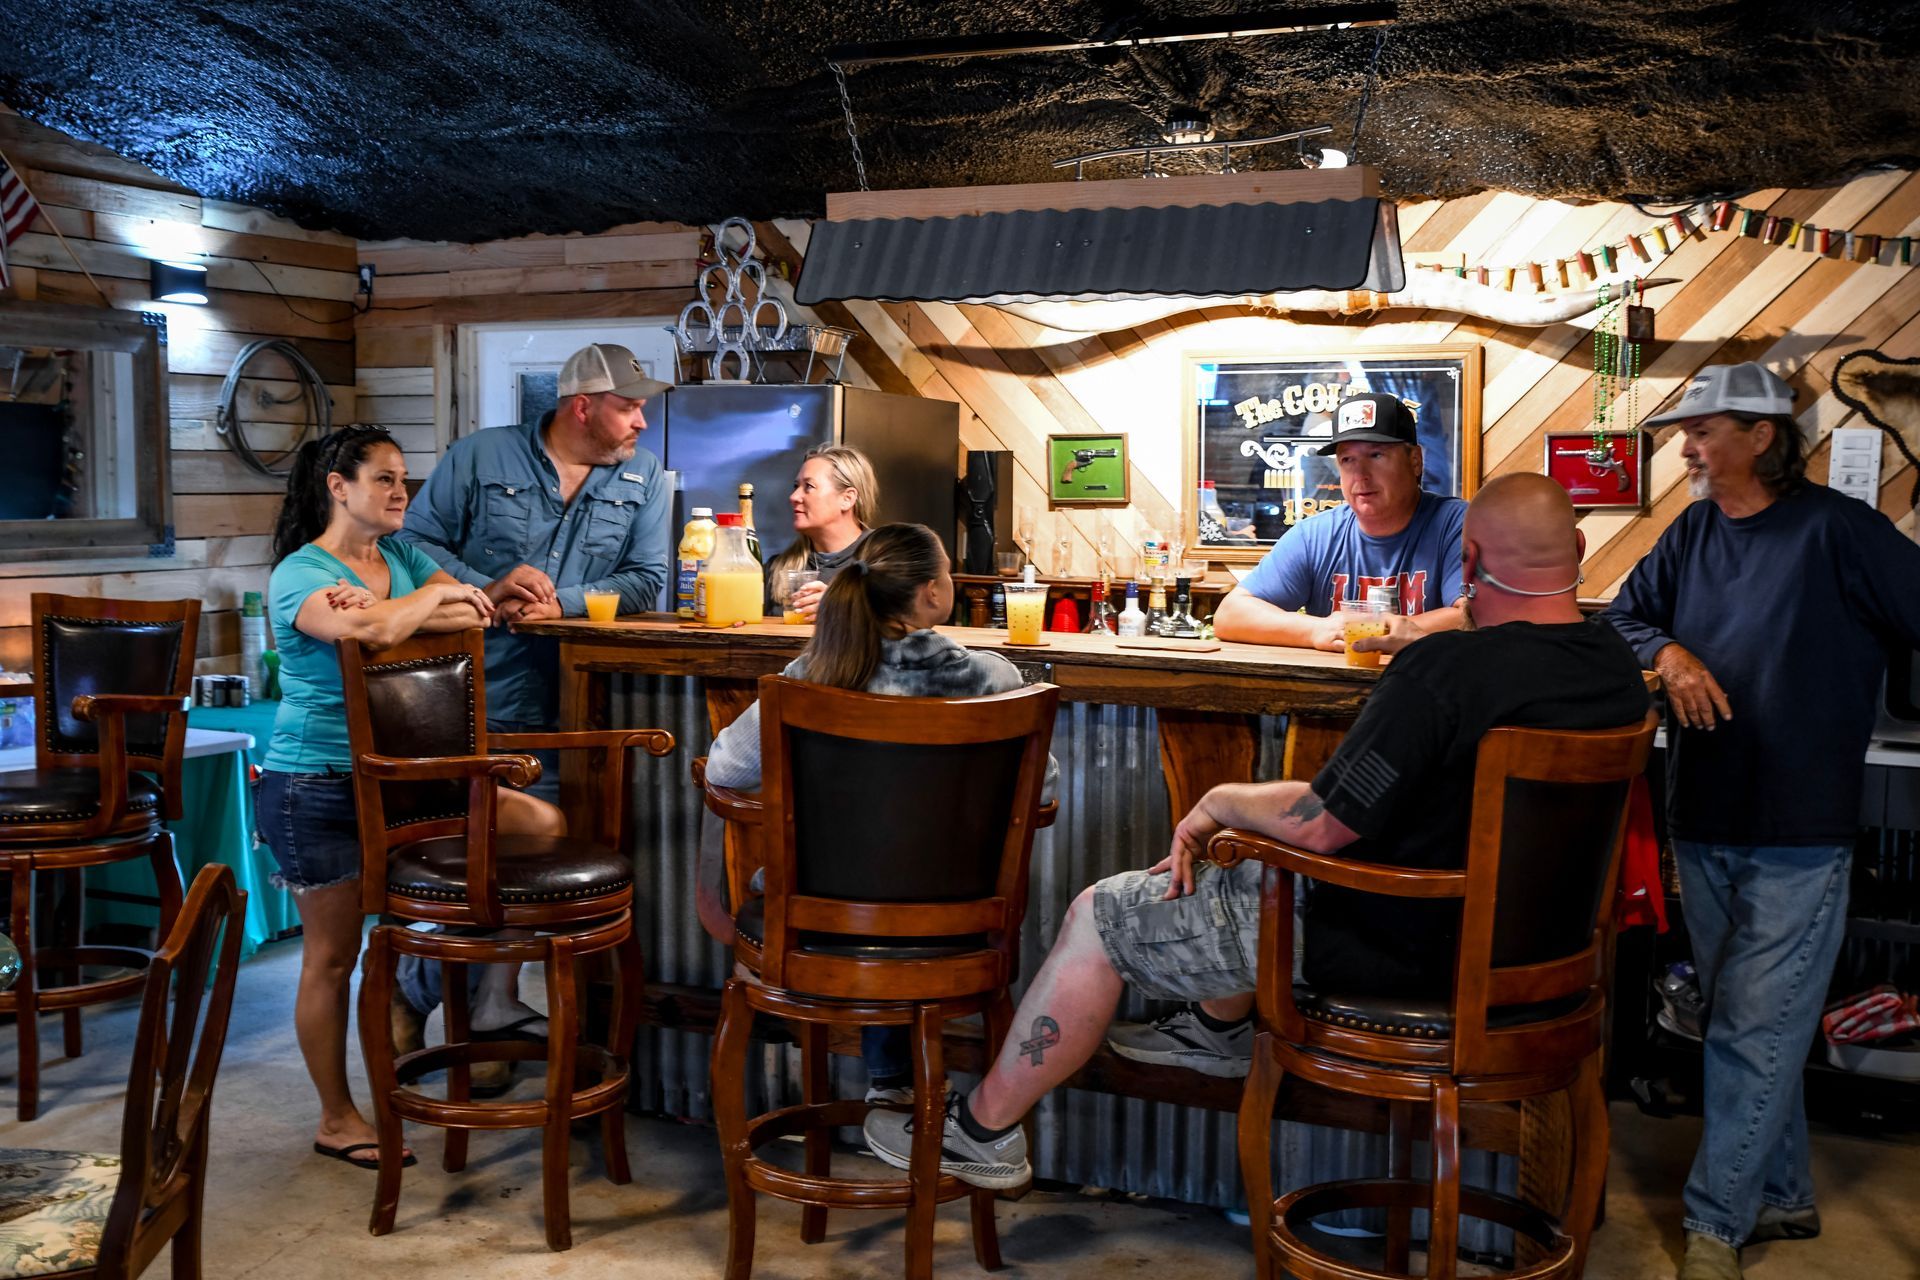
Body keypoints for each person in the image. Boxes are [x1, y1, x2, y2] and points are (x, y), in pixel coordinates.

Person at [863, 474, 1649, 1189]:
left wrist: (1219, 805)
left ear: (1469, 559)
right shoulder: (1614, 670)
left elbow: (1325, 825)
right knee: (1252, 871)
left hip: (1384, 951)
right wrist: (1241, 802)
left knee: (1100, 914)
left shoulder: (1446, 672)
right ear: (1577, 549)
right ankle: (1213, 1030)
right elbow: (1345, 807)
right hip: (1541, 968)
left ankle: (981, 1133)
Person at [1600, 362, 1920, 1280]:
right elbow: (1624, 618)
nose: (1689, 450)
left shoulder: (1840, 531)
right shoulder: (1695, 529)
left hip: (1801, 828)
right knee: (1748, 1026)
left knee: (1749, 1027)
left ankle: (1715, 1227)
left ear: (1764, 436)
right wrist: (1671, 653)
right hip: (1700, 815)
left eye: (1704, 432)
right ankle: (1782, 1197)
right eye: (1687, 432)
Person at [255, 425, 567, 1170]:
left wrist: (409, 606)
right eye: (385, 480)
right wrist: (407, 610)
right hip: (318, 785)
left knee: (538, 822)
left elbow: (469, 614)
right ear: (339, 486)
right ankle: (338, 1116)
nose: (402, 493)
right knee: (331, 959)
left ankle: (460, 996)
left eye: (405, 480)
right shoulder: (300, 573)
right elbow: (364, 637)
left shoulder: (398, 558)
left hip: (412, 783)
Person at [705, 522, 1057, 1105]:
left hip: (816, 926)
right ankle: (909, 1097)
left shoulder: (811, 679)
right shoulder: (993, 680)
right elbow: (1043, 787)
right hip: (962, 927)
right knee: (904, 877)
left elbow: (724, 771)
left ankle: (890, 1089)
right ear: (932, 594)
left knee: (868, 877)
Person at [394, 342, 673, 1071]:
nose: (643, 419)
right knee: (479, 858)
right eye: (629, 404)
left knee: (533, 859)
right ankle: (419, 994)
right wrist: (488, 590)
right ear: (583, 406)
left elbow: (648, 578)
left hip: (581, 704)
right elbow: (414, 547)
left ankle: (487, 1015)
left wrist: (556, 605)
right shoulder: (480, 457)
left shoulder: (645, 475)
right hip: (476, 692)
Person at [1213, 392, 1467, 651]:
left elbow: (1477, 616)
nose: (1360, 475)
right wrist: (1315, 630)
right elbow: (1230, 615)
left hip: (1429, 688)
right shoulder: (1314, 535)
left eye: (1376, 455)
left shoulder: (1457, 525)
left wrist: (1380, 632)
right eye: (1347, 459)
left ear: (1415, 461)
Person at [763, 444, 877, 621]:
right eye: (796, 486)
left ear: (847, 499)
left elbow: (913, 631)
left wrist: (841, 608)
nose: (793, 497)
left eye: (808, 486)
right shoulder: (777, 569)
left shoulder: (887, 560)